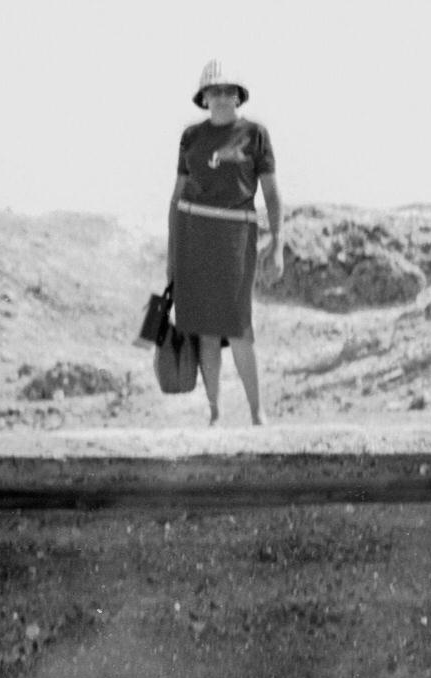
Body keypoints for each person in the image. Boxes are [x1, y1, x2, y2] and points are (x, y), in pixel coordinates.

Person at [167, 59, 284, 426]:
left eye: (228, 90)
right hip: (194, 237)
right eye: (214, 90)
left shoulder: (256, 135)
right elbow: (177, 197)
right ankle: (214, 411)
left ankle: (256, 413)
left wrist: (278, 241)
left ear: (238, 96)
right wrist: (172, 255)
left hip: (236, 237)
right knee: (205, 328)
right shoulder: (191, 137)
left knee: (238, 326)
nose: (221, 97)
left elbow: (272, 194)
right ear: (204, 96)